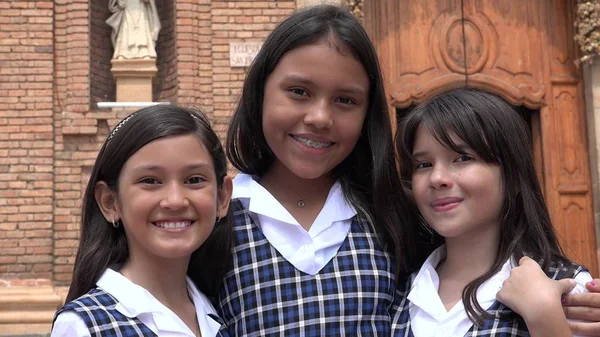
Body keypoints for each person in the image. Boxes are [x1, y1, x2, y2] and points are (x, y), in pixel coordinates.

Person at [217, 4, 423, 336]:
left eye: (345, 101)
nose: (320, 118)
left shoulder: (396, 218)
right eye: (299, 92)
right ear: (260, 92)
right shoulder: (214, 225)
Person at [392, 87, 592, 336]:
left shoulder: (567, 290)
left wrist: (544, 316)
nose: (437, 178)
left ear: (513, 175)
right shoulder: (395, 294)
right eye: (423, 164)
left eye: (462, 158)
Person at [51, 105, 233, 337]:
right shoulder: (85, 326)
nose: (175, 201)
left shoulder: (223, 314)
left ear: (223, 196)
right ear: (109, 202)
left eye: (194, 179)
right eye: (150, 180)